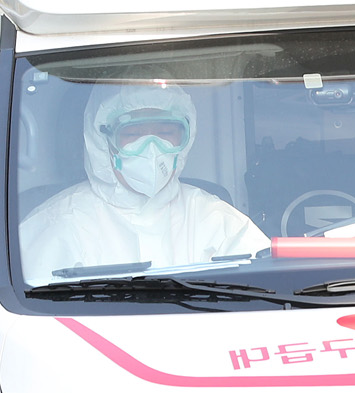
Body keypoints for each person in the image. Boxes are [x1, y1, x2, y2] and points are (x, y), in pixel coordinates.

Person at [20, 83, 269, 281]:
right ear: (102, 141)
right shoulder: (60, 225)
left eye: (165, 133)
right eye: (132, 134)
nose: (151, 149)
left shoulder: (218, 220)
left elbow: (264, 295)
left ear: (185, 139)